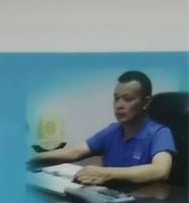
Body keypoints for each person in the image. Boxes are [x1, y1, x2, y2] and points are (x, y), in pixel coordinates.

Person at [30, 70, 176, 186]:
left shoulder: (160, 132)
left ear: (146, 102)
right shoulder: (113, 131)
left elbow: (160, 170)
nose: (119, 105)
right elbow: (74, 152)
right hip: (109, 197)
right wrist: (32, 159)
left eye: (127, 99)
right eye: (116, 98)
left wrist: (106, 173)